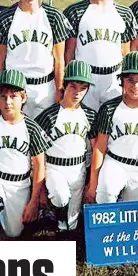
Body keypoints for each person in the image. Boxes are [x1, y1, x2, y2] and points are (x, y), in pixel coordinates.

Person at [0, 70, 50, 240]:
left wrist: (34, 201)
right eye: (2, 96)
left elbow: (40, 166)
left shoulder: (32, 128)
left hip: (19, 184)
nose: (8, 102)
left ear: (24, 98)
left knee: (14, 232)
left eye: (14, 96)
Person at [0, 0, 73, 118]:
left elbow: (59, 59)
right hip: (15, 89)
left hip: (46, 87)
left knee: (45, 137)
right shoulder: (5, 19)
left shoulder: (54, 17)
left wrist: (59, 89)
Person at [64, 0, 138, 111]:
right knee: (85, 128)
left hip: (113, 80)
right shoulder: (75, 11)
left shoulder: (125, 13)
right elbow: (68, 53)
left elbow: (125, 54)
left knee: (111, 127)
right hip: (84, 81)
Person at [86, 51, 138, 203]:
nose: (135, 85)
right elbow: (99, 148)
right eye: (130, 80)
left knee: (134, 216)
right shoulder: (109, 108)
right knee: (106, 194)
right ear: (121, 80)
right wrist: (93, 183)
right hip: (115, 163)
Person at [35, 60, 96, 231]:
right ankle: (54, 210)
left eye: (83, 87)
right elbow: (36, 151)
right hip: (55, 167)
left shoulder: (89, 115)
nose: (77, 92)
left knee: (72, 225)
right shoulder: (49, 116)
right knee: (61, 197)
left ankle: (62, 224)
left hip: (78, 169)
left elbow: (94, 146)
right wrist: (40, 188)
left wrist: (91, 177)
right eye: (73, 86)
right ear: (64, 85)